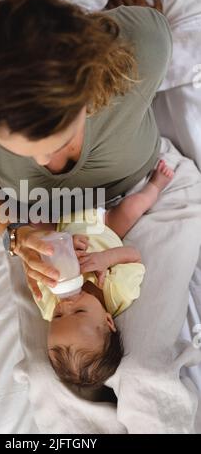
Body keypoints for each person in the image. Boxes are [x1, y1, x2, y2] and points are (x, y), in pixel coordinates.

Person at [0, 0, 171, 300]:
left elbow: (148, 40)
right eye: (22, 151)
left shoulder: (145, 47)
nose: (45, 163)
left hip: (140, 184)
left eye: (61, 141)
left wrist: (139, 29)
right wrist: (17, 234)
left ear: (91, 88)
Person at [31, 159, 174, 389]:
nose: (66, 305)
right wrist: (105, 258)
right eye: (78, 311)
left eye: (57, 317)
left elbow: (37, 272)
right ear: (108, 321)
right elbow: (133, 255)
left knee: (34, 220)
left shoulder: (49, 305)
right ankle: (156, 185)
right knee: (130, 209)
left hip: (62, 226)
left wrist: (59, 252)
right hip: (104, 226)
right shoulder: (118, 293)